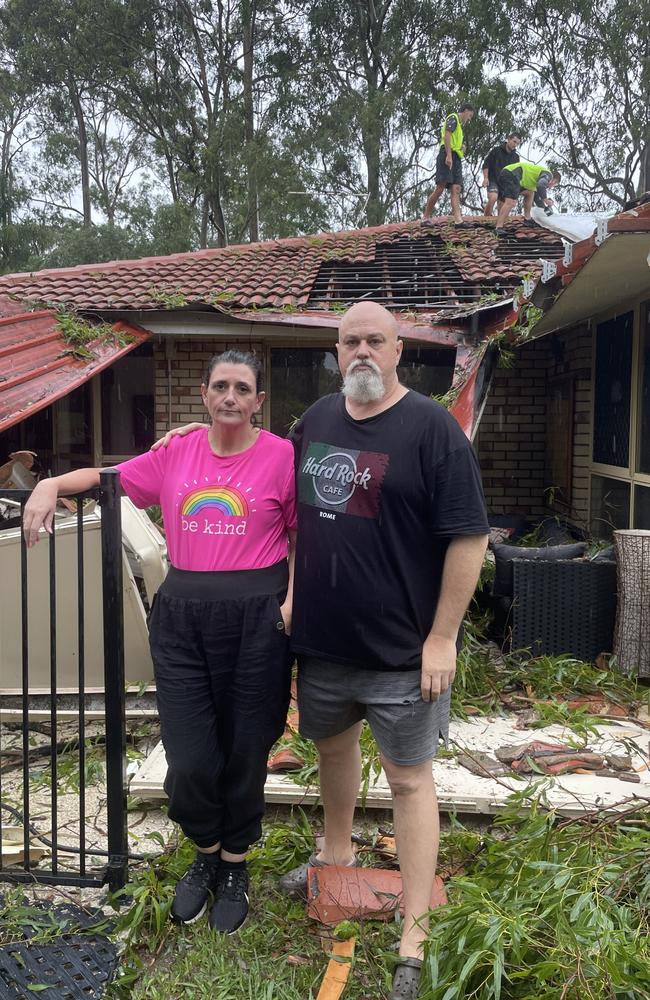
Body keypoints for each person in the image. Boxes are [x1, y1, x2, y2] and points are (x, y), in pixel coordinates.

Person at [154, 305, 489, 998]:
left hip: (403, 648)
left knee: (408, 781)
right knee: (334, 754)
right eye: (350, 341)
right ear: (337, 353)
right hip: (325, 644)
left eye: (375, 340)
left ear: (399, 350)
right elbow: (260, 463)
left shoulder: (431, 429)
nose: (362, 351)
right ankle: (333, 860)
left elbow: (469, 537)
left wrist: (442, 637)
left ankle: (414, 930)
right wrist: (197, 433)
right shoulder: (315, 423)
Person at [22, 350, 297, 936]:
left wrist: (292, 603)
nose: (230, 397)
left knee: (247, 748)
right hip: (183, 620)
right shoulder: (177, 452)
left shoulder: (281, 457)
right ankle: (204, 850)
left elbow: (304, 536)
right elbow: (106, 480)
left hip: (258, 622)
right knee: (192, 756)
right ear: (204, 393)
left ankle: (234, 863)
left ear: (257, 401)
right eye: (220, 386)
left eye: (241, 388)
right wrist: (47, 484)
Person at [423, 104, 475, 226]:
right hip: (447, 155)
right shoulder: (453, 118)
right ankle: (425, 218)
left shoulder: (460, 128)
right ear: (466, 111)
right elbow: (447, 135)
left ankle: (458, 221)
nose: (470, 119)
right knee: (440, 187)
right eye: (470, 115)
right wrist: (449, 155)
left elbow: (454, 141)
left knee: (456, 189)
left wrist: (461, 148)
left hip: (456, 158)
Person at [494, 161, 561, 234]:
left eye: (554, 185)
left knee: (530, 193)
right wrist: (546, 199)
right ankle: (498, 227)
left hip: (511, 176)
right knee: (511, 202)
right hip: (511, 174)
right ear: (553, 179)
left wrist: (547, 211)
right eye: (554, 183)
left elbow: (538, 201)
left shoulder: (535, 183)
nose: (551, 186)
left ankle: (527, 219)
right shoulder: (548, 174)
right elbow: (541, 185)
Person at [481, 132, 521, 216]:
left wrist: (514, 193)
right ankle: (485, 219)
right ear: (508, 139)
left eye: (517, 143)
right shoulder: (496, 150)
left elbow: (516, 175)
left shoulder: (516, 157)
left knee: (502, 210)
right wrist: (485, 178)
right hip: (493, 180)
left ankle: (498, 226)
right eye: (514, 141)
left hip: (505, 185)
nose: (515, 145)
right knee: (493, 197)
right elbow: (486, 164)